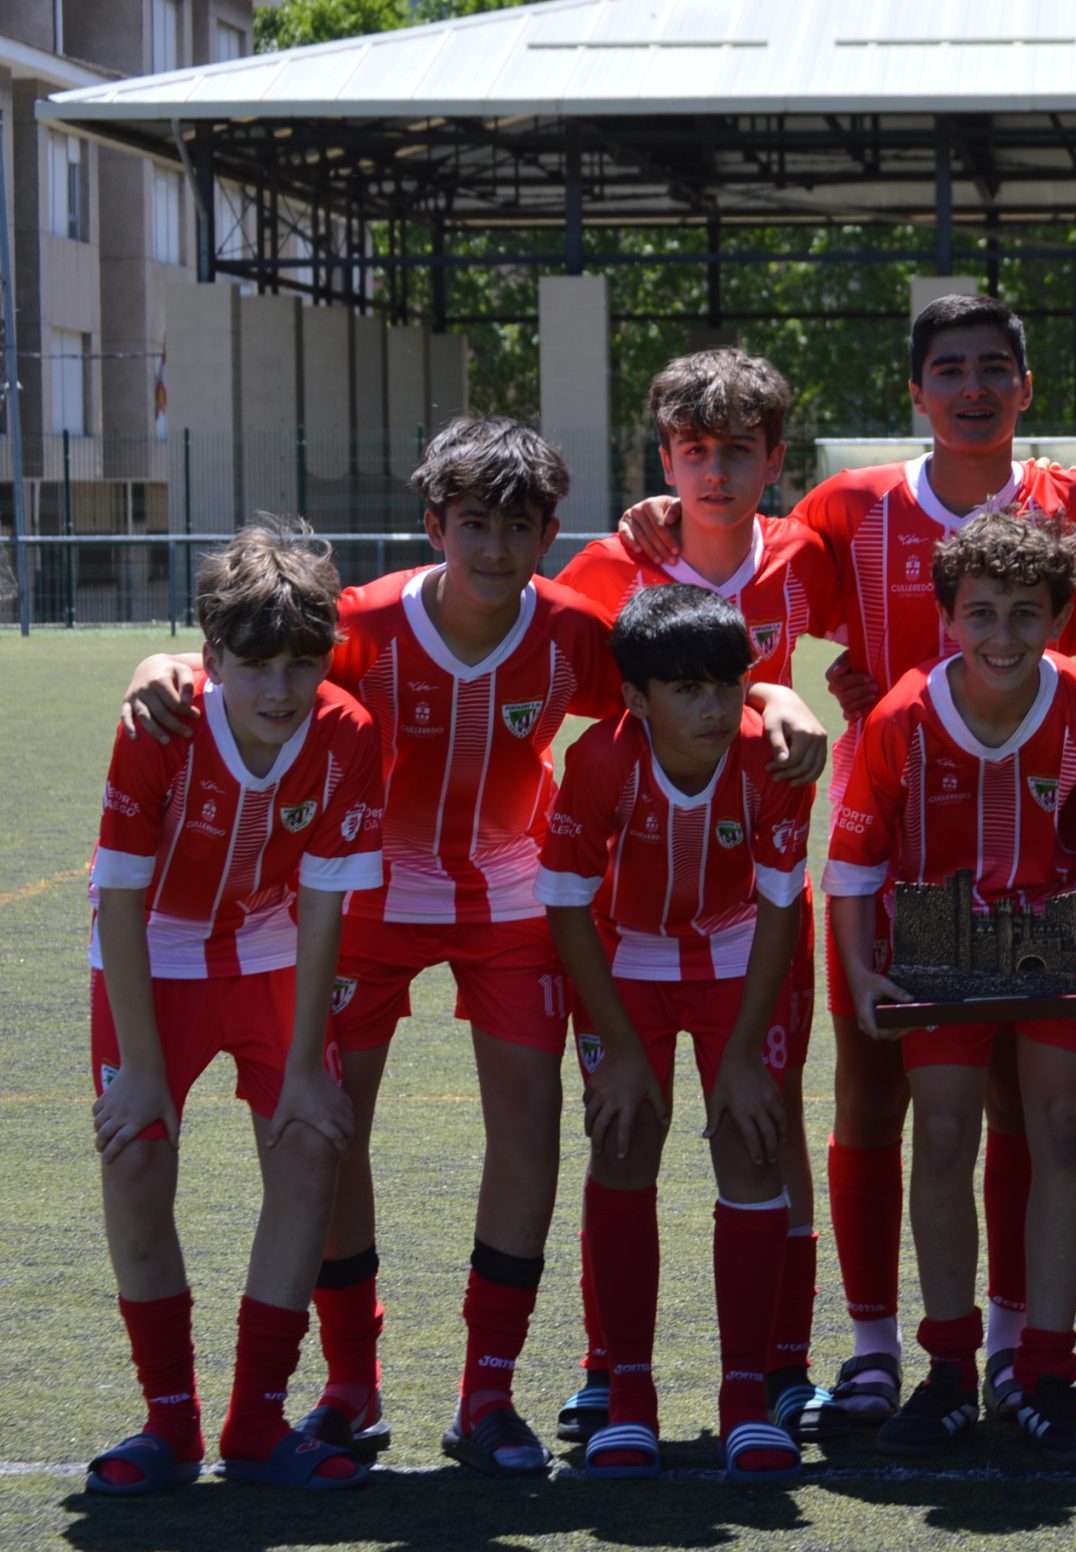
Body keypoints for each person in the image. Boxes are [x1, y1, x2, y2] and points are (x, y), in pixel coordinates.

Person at [618, 298, 1076, 1437]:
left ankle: (1030, 1350)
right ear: (918, 392)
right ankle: (881, 1347)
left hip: (1044, 866)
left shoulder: (1073, 501)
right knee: (880, 1104)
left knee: (1040, 1118)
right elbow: (748, 561)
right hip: (903, 854)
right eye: (949, 370)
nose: (972, 388)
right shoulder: (846, 506)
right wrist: (665, 515)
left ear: (1024, 390)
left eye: (994, 369)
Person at [119, 420, 824, 1476]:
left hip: (511, 894)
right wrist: (160, 659)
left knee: (530, 1124)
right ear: (433, 523)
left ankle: (487, 1391)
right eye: (474, 525)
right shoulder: (360, 622)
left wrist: (775, 691)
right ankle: (350, 1383)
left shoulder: (574, 631)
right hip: (365, 890)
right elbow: (243, 657)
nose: (496, 551)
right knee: (332, 1127)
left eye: (520, 528)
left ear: (549, 531)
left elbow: (681, 671)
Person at [828, 510, 1076, 1464]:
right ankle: (944, 1370)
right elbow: (852, 869)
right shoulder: (901, 715)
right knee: (942, 1132)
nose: (1003, 636)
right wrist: (860, 970)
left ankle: (1044, 1372)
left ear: (1060, 618)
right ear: (948, 618)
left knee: (1062, 1129)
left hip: (1057, 928)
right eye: (981, 614)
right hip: (935, 931)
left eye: (1027, 614)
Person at [553, 349, 840, 1439]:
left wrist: (811, 693)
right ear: (664, 458)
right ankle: (607, 1364)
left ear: (773, 460)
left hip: (751, 886)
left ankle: (777, 1362)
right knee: (621, 1125)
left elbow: (890, 636)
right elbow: (569, 667)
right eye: (692, 451)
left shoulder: (811, 550)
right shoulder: (610, 564)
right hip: (627, 891)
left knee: (767, 1124)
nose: (714, 473)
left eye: (736, 451)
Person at [85, 520, 385, 1494]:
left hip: (269, 946)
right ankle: (168, 1424)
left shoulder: (346, 733)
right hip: (151, 953)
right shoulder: (158, 724)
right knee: (135, 1155)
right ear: (211, 658)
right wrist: (137, 1070)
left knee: (309, 1143)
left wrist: (305, 1067)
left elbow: (328, 902)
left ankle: (257, 1420)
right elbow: (121, 899)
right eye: (257, 665)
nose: (282, 690)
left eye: (304, 664)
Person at [539, 585, 812, 1483]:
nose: (714, 706)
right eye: (686, 689)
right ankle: (629, 1396)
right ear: (636, 698)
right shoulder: (599, 763)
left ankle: (746, 1396)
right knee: (622, 1148)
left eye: (729, 685)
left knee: (756, 1148)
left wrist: (741, 1055)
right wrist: (614, 1047)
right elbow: (569, 908)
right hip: (625, 961)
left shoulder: (766, 763)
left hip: (742, 955)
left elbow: (779, 908)